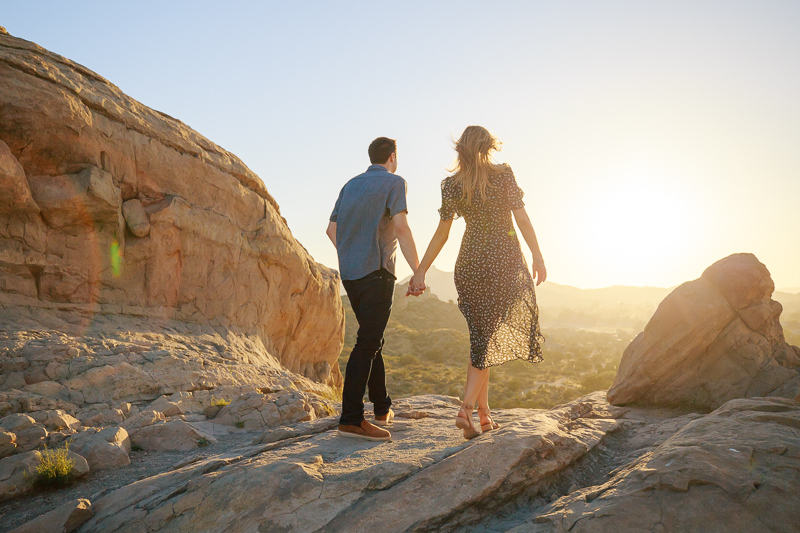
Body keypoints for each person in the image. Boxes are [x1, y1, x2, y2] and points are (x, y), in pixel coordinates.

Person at [410, 125, 546, 439]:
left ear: (461, 150)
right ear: (488, 147)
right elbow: (522, 219)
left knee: (481, 336)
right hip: (503, 262)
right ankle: (466, 408)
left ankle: (485, 416)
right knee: (485, 339)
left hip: (469, 264)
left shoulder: (451, 185)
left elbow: (442, 233)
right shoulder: (503, 174)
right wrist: (538, 255)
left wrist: (421, 271)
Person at [327, 137, 425, 442]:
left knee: (373, 337)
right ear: (393, 157)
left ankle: (382, 408)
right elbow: (401, 227)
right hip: (378, 272)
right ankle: (352, 419)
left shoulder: (350, 185)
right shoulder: (395, 182)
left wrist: (351, 252)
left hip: (351, 274)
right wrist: (418, 271)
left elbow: (331, 230)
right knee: (368, 342)